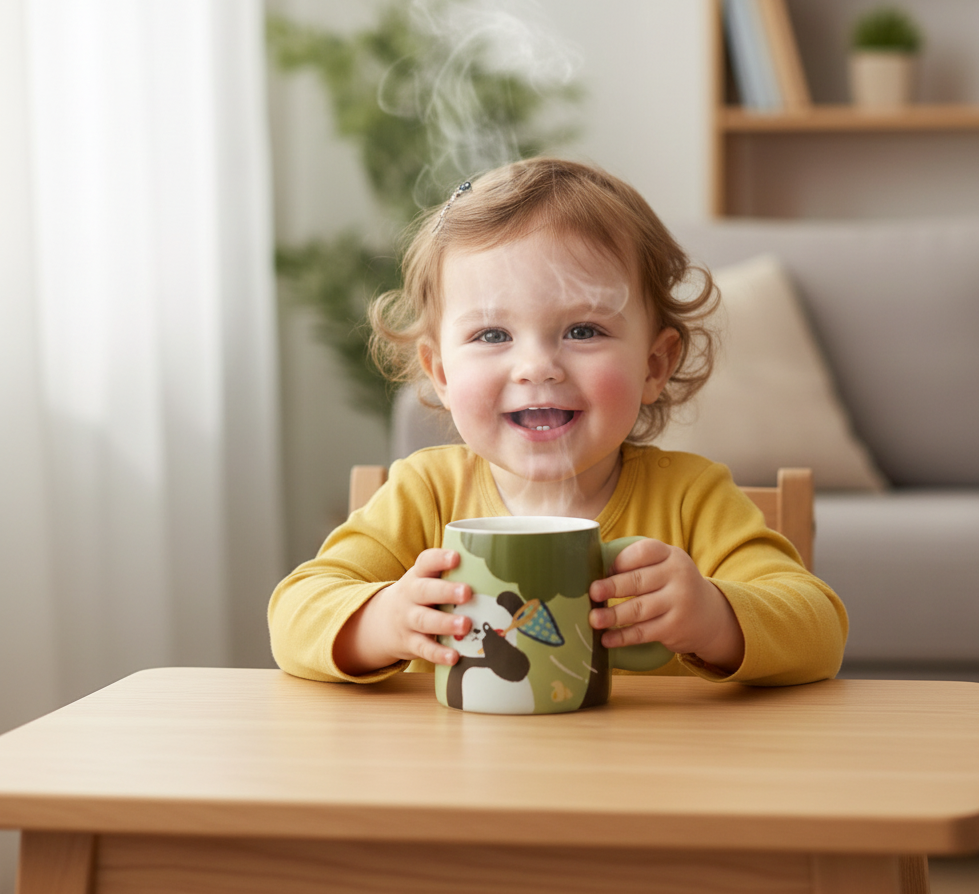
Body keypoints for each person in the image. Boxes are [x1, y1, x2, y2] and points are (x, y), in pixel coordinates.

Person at [268, 157, 847, 686]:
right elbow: (295, 612)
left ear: (654, 364)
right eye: (492, 335)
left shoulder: (694, 500)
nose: (537, 367)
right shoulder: (424, 495)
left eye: (583, 330)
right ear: (440, 373)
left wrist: (715, 616)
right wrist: (380, 621)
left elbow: (819, 627)